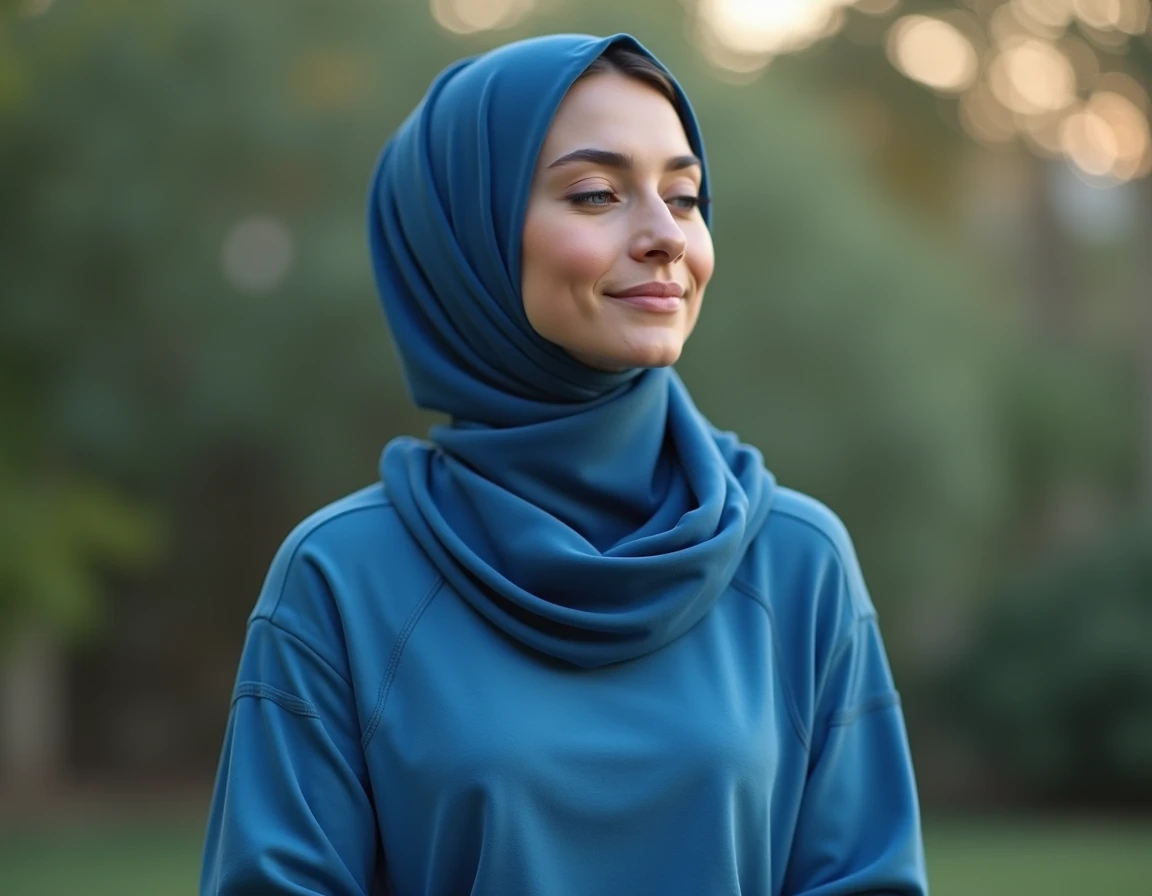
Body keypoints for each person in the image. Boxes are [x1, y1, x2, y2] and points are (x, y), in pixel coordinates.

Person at [200, 32, 927, 896]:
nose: (665, 236)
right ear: (465, 241)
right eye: (595, 194)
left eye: (686, 196)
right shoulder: (341, 580)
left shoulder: (800, 562)